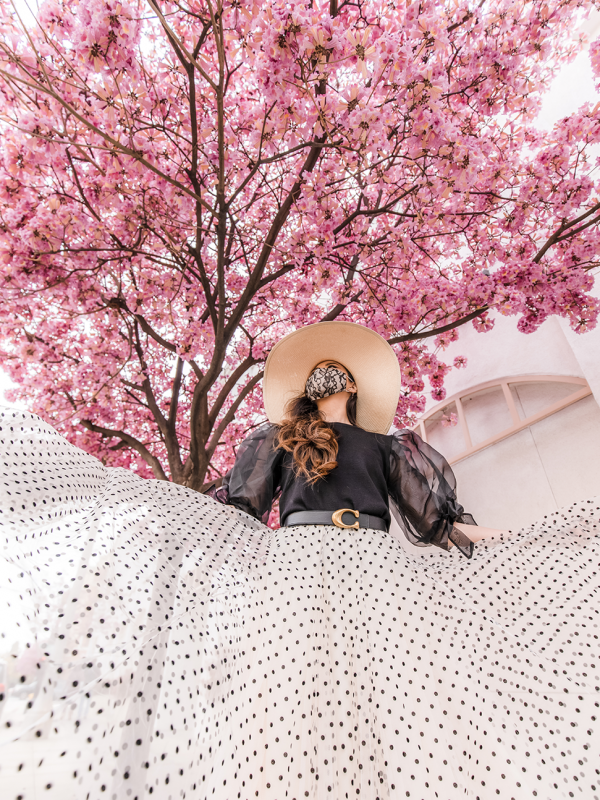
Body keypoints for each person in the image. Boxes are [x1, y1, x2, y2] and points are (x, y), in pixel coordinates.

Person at [0, 321, 599, 800]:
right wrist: (167, 528)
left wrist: (518, 539)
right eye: (316, 371)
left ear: (355, 388)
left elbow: (440, 523)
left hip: (374, 568)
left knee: (402, 693)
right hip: (294, 567)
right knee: (284, 697)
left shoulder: (389, 447)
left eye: (337, 370)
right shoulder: (275, 440)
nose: (327, 372)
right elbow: (236, 510)